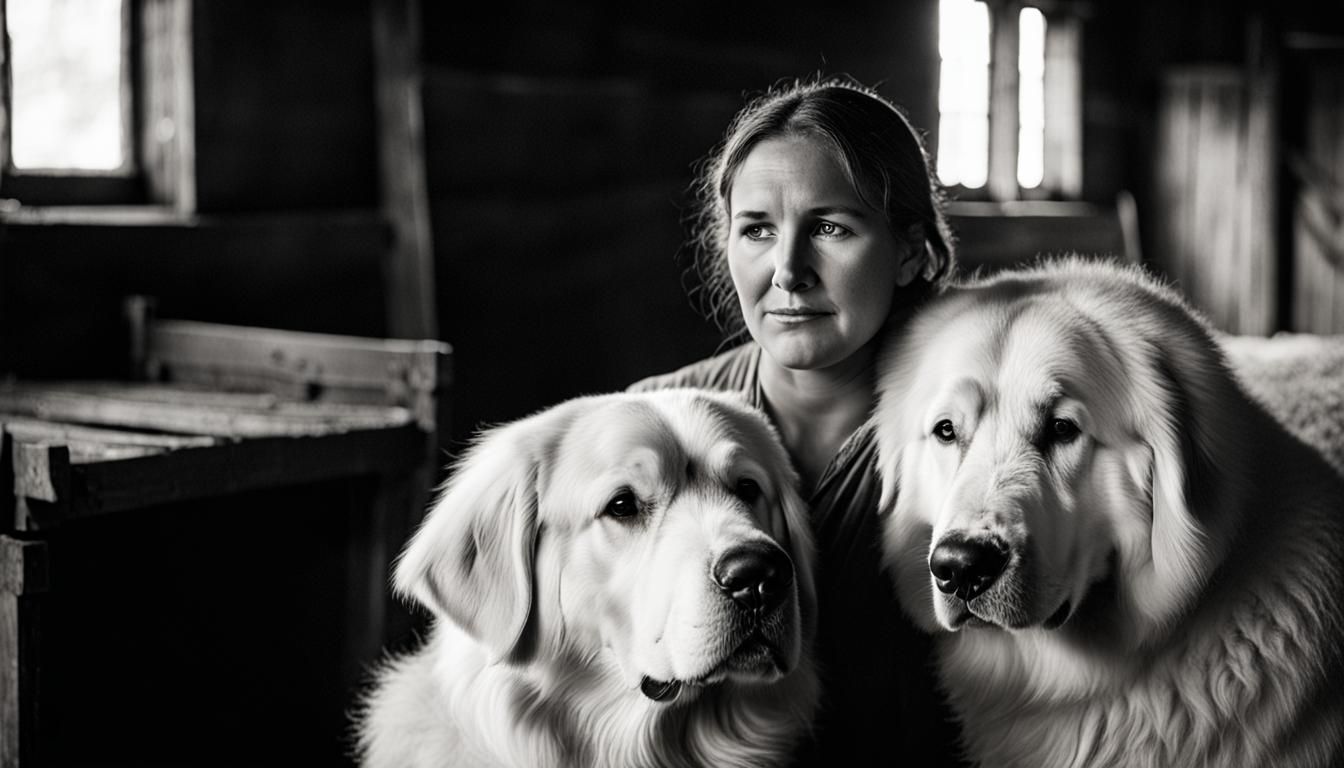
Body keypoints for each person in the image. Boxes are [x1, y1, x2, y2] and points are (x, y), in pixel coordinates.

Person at [628, 75, 965, 766]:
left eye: (830, 228)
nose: (787, 270)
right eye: (756, 230)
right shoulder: (652, 427)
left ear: (908, 250)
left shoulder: (966, 440)